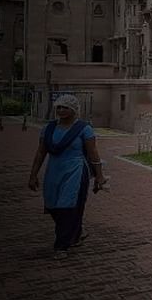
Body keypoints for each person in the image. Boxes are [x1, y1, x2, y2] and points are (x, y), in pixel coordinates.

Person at [27, 94, 108, 259]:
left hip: (76, 171)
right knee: (52, 205)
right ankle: (76, 231)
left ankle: (61, 246)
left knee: (68, 206)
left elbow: (94, 154)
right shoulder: (49, 129)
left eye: (65, 107)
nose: (61, 110)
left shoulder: (83, 129)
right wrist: (33, 175)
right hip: (54, 170)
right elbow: (41, 153)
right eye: (59, 107)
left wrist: (100, 176)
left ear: (74, 110)